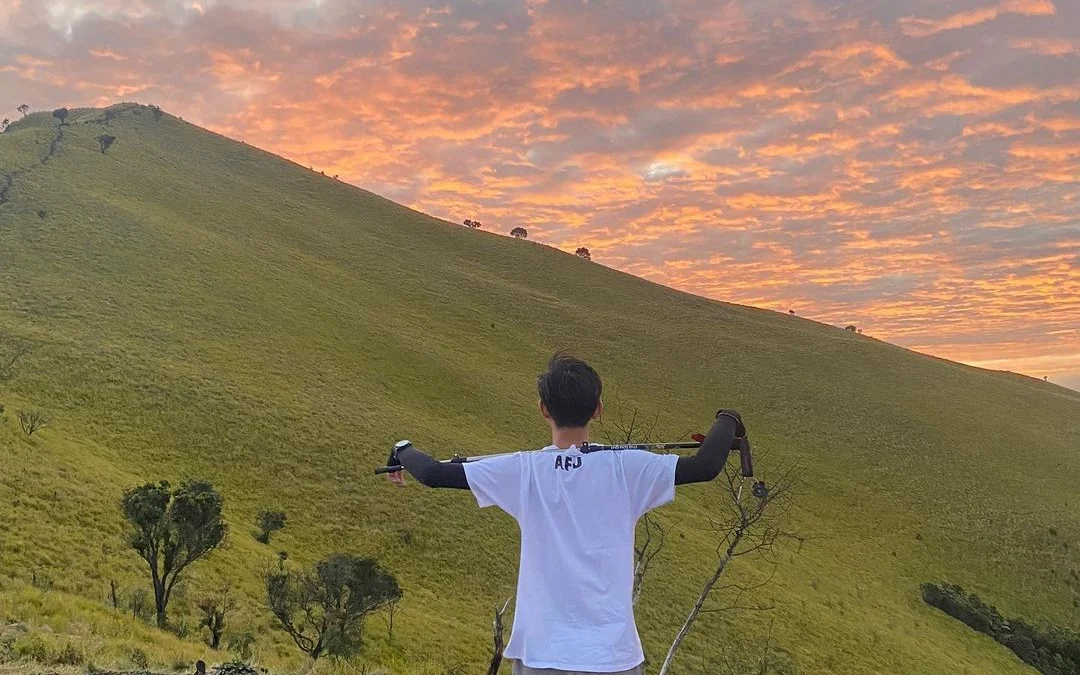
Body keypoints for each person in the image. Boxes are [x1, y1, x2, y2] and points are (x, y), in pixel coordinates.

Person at [387, 352, 745, 675]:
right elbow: (707, 465)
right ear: (598, 409)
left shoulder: (525, 470)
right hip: (613, 659)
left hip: (542, 654)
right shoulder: (628, 468)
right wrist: (728, 419)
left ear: (543, 409)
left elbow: (432, 474)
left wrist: (402, 449)